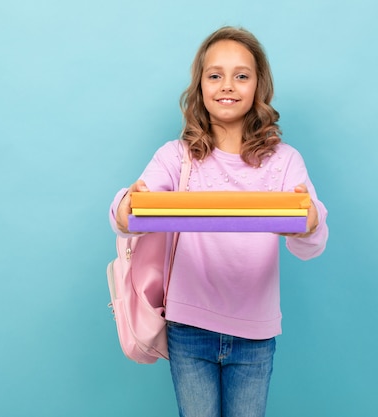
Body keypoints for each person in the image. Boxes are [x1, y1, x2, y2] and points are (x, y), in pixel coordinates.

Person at [109, 26, 329, 417]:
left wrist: (309, 221)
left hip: (256, 335)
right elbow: (128, 218)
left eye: (241, 75)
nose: (227, 85)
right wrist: (128, 205)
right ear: (200, 86)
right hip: (188, 327)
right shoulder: (177, 157)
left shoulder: (283, 161)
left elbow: (310, 244)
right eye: (215, 75)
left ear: (259, 86)